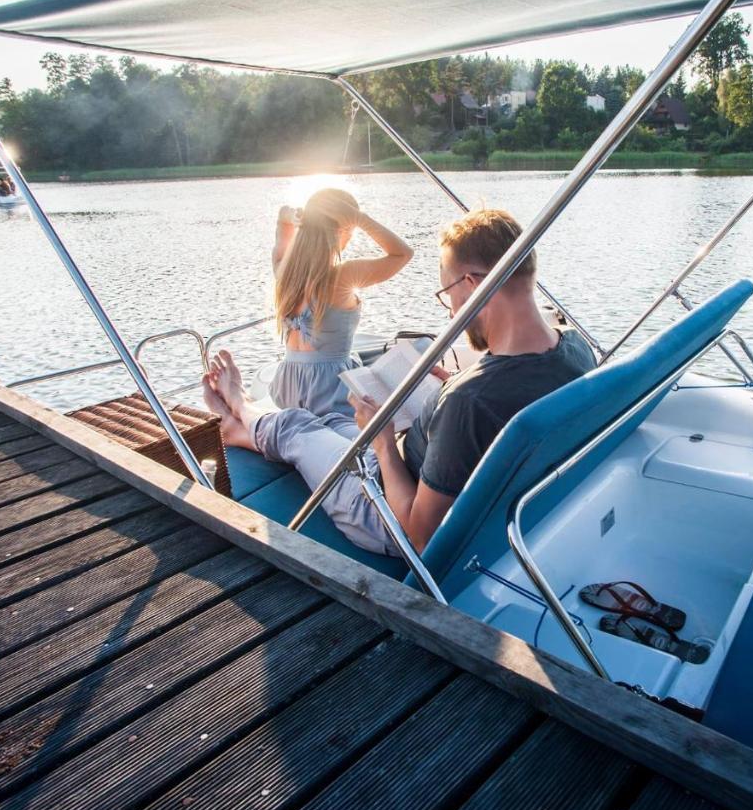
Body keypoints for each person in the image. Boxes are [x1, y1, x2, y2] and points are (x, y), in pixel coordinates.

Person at [203, 208, 594, 557]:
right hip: (437, 473)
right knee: (333, 423)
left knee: (296, 425)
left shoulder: (471, 401)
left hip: (384, 511)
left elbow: (420, 537)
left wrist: (385, 443)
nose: (451, 310)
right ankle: (247, 428)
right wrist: (452, 387)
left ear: (473, 285)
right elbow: (500, 403)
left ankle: (237, 410)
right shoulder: (575, 350)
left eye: (448, 293)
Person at [269, 188, 413, 417]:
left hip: (290, 389)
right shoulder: (342, 277)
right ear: (342, 228)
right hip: (330, 394)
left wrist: (291, 216)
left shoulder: (286, 273)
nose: (352, 237)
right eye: (352, 231)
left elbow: (282, 226)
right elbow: (403, 254)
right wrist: (360, 218)